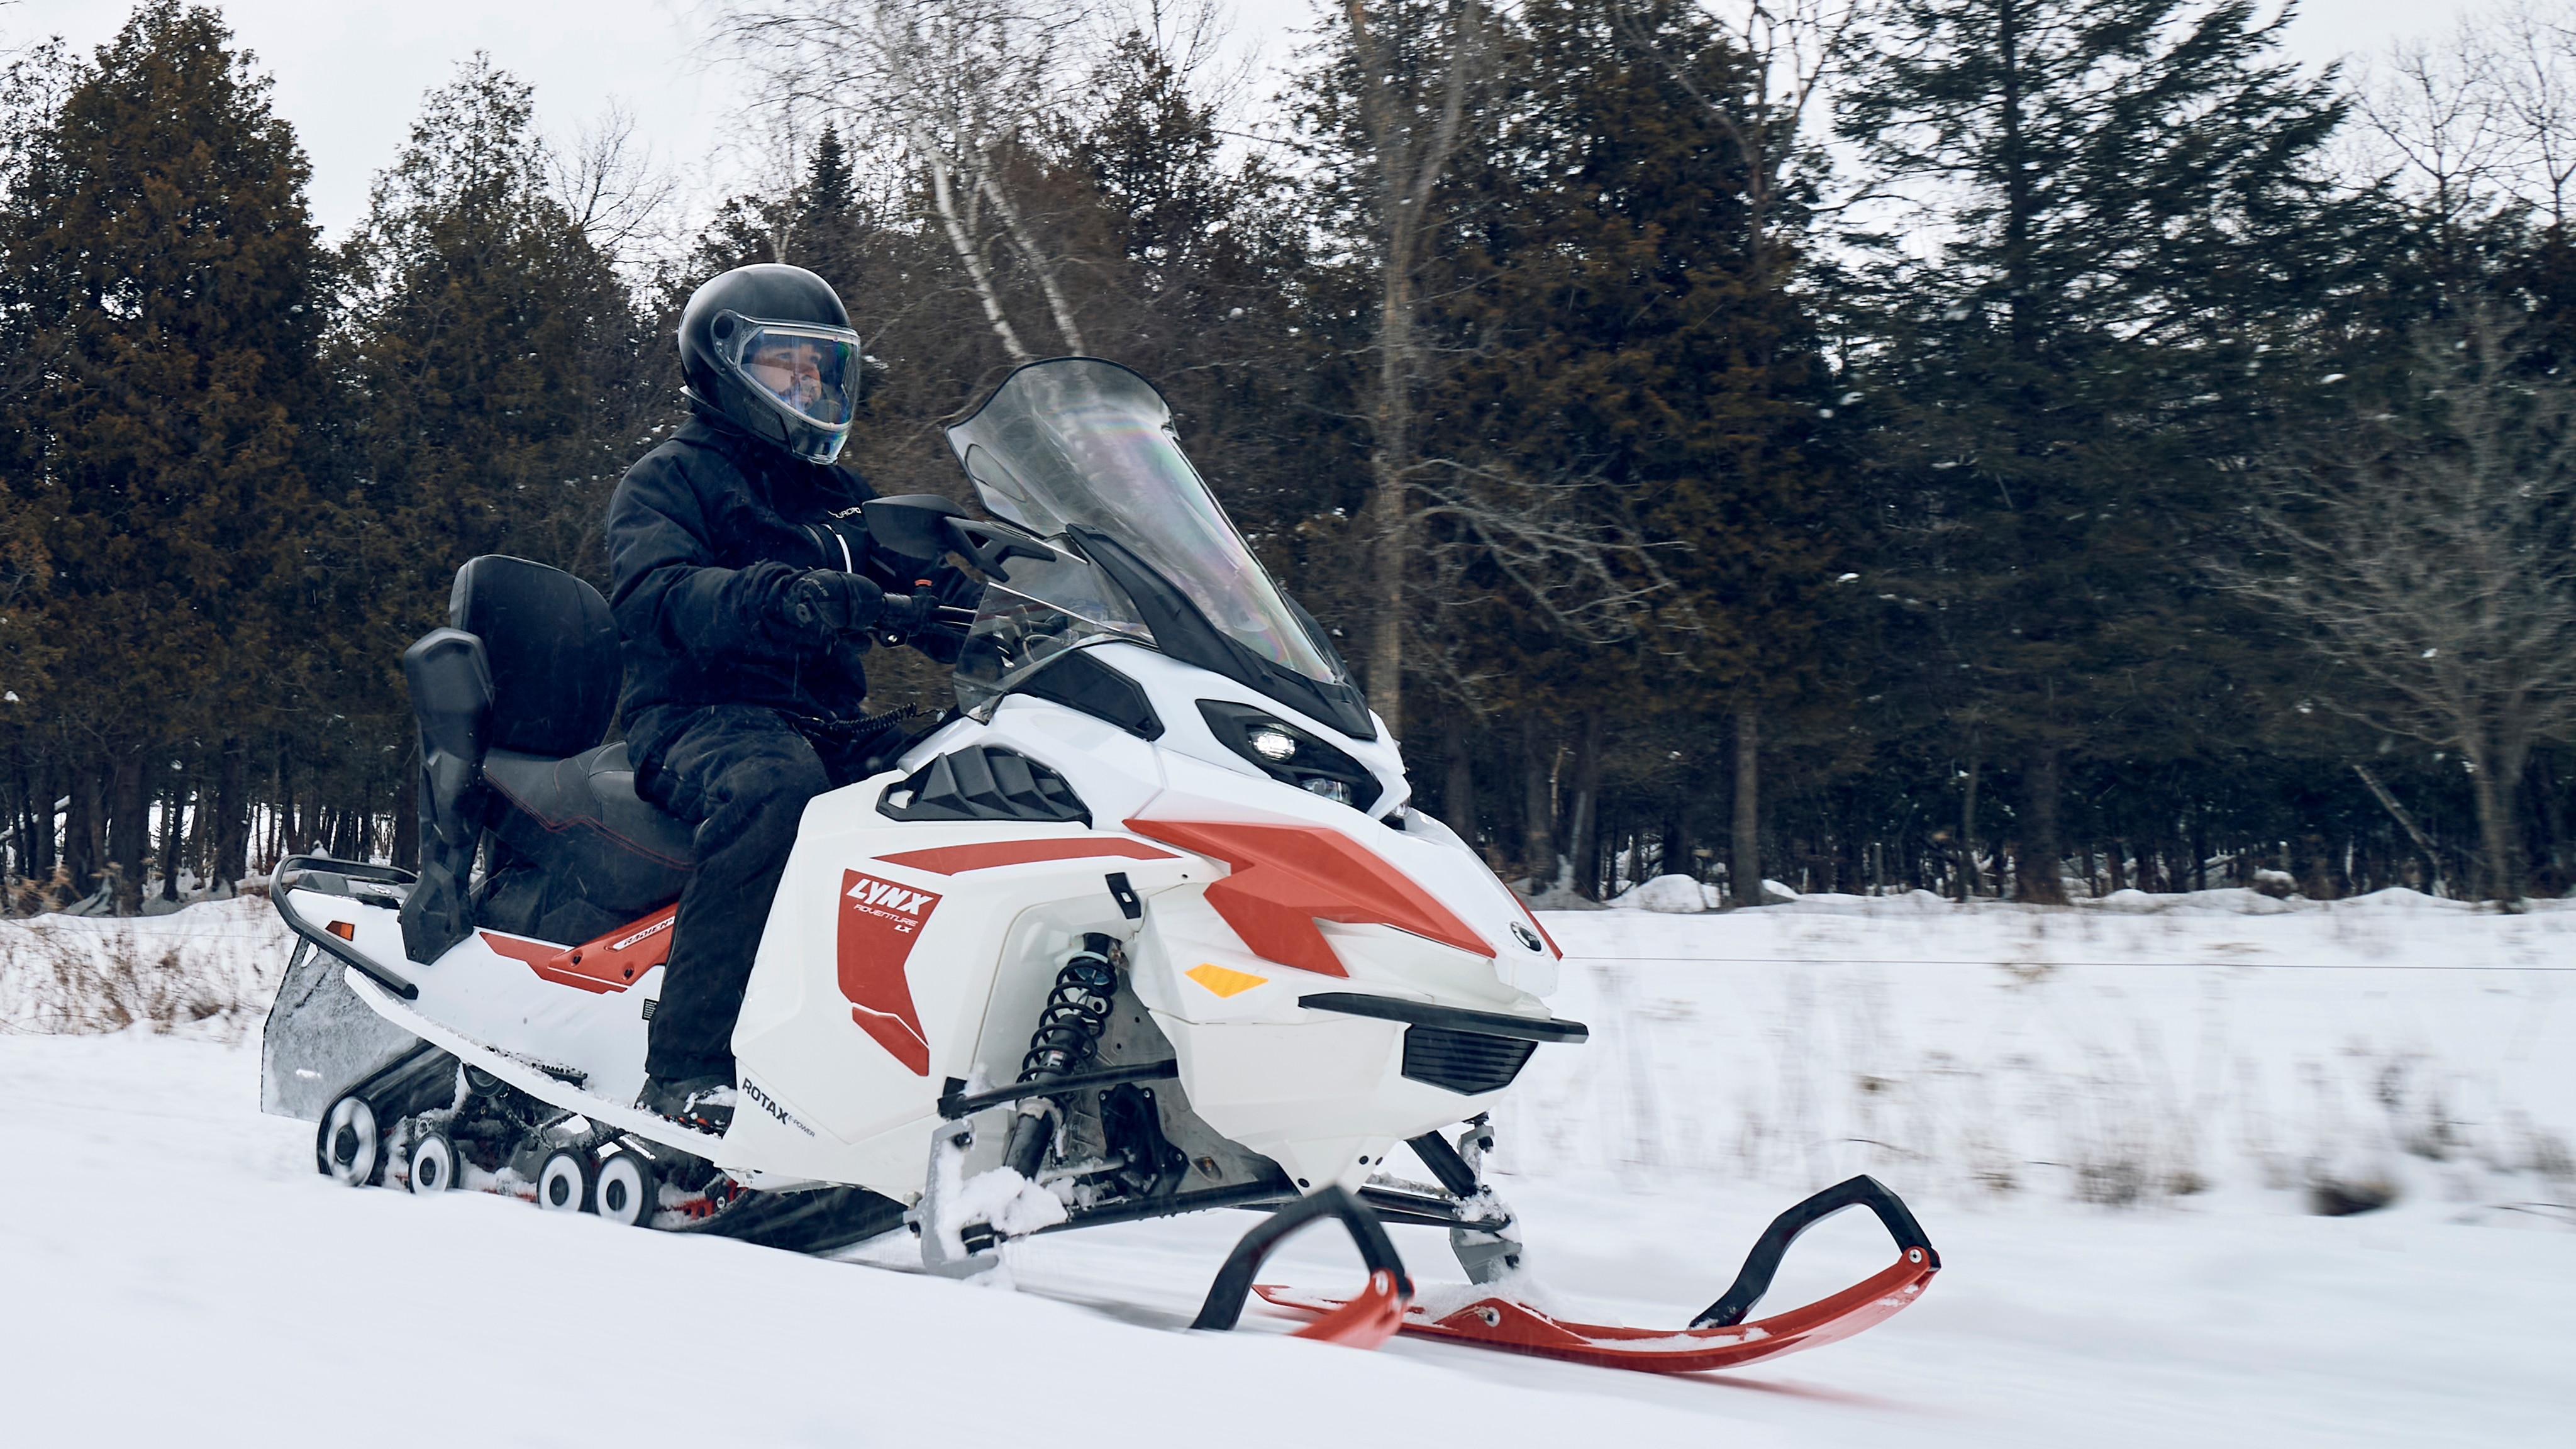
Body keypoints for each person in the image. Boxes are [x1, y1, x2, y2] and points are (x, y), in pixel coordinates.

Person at [608, 263, 970, 1133]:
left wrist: (1015, 607)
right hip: (697, 719)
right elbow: (656, 594)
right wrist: (777, 596)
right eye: (788, 367)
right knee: (775, 790)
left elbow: (926, 578)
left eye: (822, 370)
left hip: (825, 723)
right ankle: (685, 1071)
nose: (809, 387)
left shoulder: (848, 500)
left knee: (968, 785)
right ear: (726, 366)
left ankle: (945, 1065)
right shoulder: (669, 481)